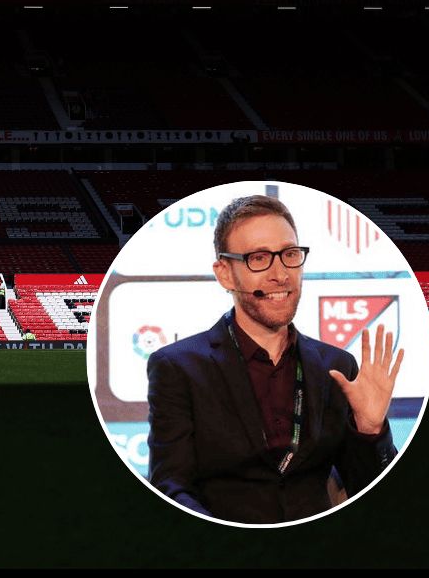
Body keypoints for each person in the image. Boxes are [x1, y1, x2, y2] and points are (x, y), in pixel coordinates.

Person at [146, 194, 402, 524]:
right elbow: (171, 487)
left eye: (290, 254)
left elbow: (369, 490)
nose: (280, 274)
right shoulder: (178, 366)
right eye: (259, 258)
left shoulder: (336, 366)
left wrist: (371, 430)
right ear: (225, 273)